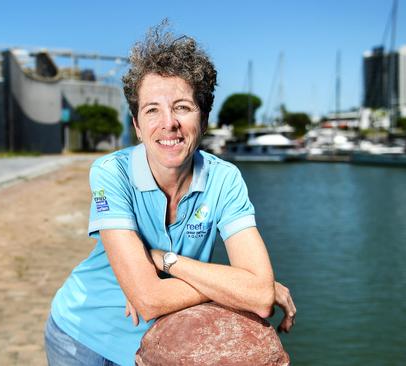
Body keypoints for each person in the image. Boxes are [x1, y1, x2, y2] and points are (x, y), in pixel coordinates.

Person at [45, 24, 296, 366]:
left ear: (204, 119)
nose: (168, 123)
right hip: (81, 336)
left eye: (182, 107)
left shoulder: (225, 179)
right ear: (136, 124)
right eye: (152, 110)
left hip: (158, 347)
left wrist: (163, 260)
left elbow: (259, 296)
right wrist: (238, 287)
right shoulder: (111, 173)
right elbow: (148, 299)